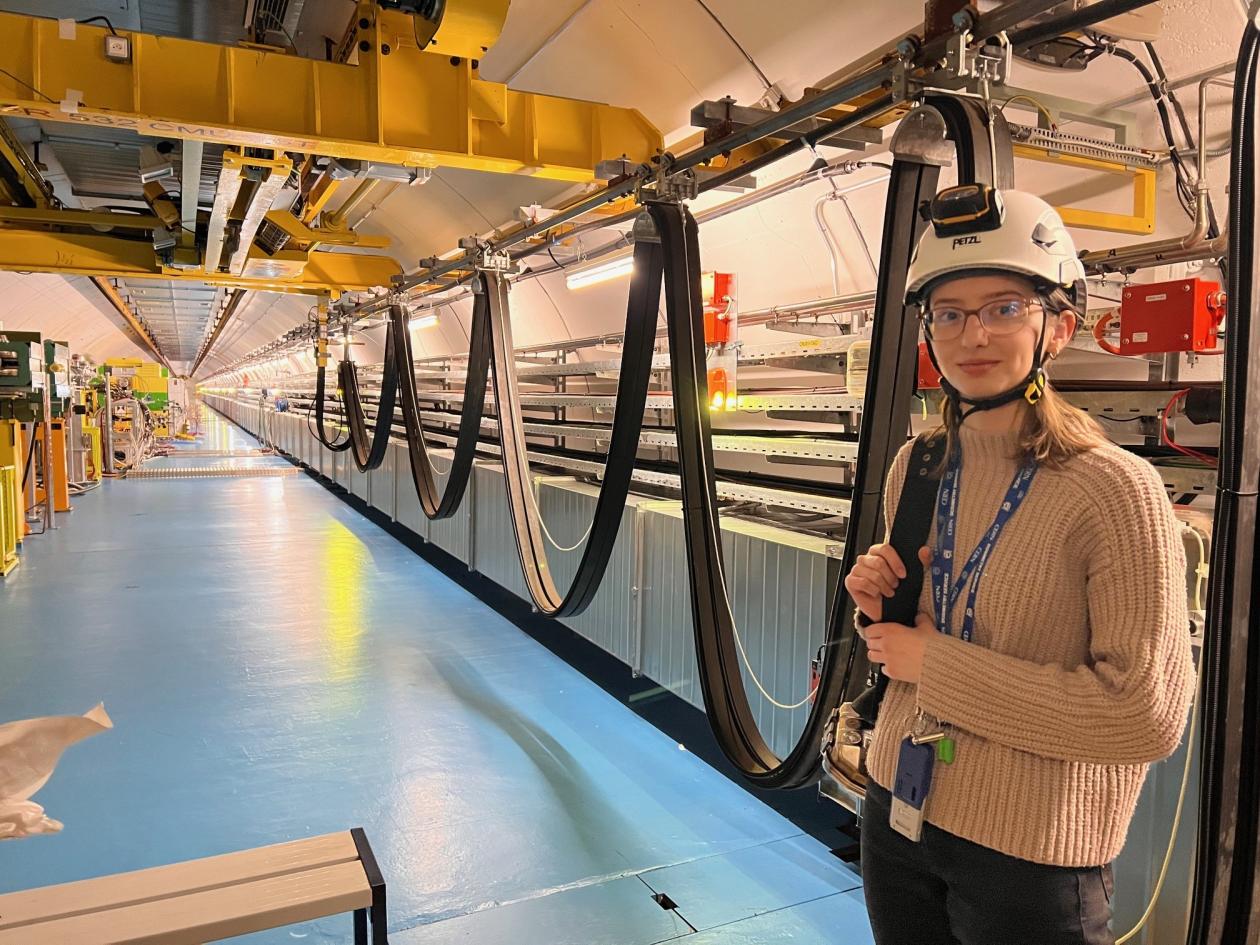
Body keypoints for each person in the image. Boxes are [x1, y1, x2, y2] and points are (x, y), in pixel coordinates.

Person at [843, 186, 1195, 945]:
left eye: (1004, 307)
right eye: (950, 312)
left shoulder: (1112, 490)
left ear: (1057, 326)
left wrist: (934, 662)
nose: (974, 334)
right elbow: (913, 634)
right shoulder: (923, 461)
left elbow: (1144, 714)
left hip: (1030, 853)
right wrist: (880, 603)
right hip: (898, 813)